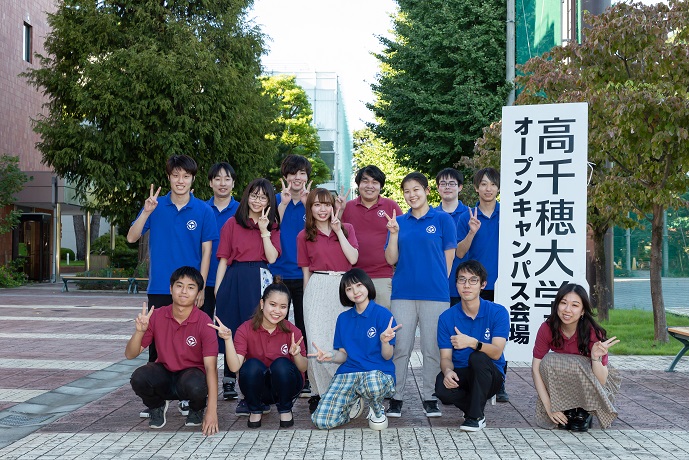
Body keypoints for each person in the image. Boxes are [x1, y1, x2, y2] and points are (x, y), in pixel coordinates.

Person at [127, 154, 218, 418]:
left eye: (186, 176)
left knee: (194, 346)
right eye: (176, 175)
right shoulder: (155, 206)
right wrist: (146, 211)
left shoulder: (203, 210)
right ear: (168, 177)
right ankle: (157, 401)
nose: (180, 180)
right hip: (160, 287)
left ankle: (192, 397)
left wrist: (201, 288)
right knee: (156, 345)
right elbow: (132, 237)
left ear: (193, 179)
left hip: (191, 289)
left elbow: (207, 251)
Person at [384, 172, 456, 419]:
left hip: (435, 295)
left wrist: (437, 284)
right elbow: (391, 259)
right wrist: (394, 234)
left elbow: (448, 260)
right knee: (400, 347)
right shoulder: (398, 222)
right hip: (402, 294)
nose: (411, 195)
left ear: (427, 191)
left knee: (432, 348)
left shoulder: (443, 219)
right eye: (407, 191)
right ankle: (396, 397)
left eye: (416, 189)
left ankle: (430, 397)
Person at [214, 178, 281, 415]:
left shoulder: (272, 226)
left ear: (269, 201)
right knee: (237, 337)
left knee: (257, 335)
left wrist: (264, 231)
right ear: (246, 196)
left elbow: (272, 258)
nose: (257, 200)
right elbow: (223, 259)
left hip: (259, 279)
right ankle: (245, 395)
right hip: (234, 280)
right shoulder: (231, 223)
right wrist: (218, 290)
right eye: (254, 195)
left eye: (263, 197)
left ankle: (259, 393)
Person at [126, 266, 219, 435]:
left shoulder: (204, 322)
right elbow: (130, 354)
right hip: (165, 373)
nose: (184, 291)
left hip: (191, 376)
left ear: (198, 293)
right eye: (179, 285)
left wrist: (212, 412)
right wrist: (139, 332)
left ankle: (196, 409)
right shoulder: (157, 315)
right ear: (170, 289)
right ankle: (157, 406)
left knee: (197, 385)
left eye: (191, 287)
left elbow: (211, 368)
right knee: (139, 377)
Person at [310, 268, 400, 430]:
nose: (355, 292)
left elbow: (387, 356)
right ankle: (352, 403)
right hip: (349, 372)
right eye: (349, 289)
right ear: (345, 293)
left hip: (377, 373)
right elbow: (343, 355)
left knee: (371, 384)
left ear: (367, 285)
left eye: (359, 285)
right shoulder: (343, 318)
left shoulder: (383, 315)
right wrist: (330, 356)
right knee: (322, 421)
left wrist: (385, 342)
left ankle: (376, 409)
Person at [210, 281, 307, 429]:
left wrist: (297, 354)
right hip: (258, 388)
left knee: (281, 364)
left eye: (283, 307)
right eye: (272, 304)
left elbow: (303, 367)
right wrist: (228, 339)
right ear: (262, 304)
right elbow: (235, 367)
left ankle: (285, 409)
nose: (277, 311)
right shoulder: (245, 329)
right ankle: (255, 409)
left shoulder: (293, 331)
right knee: (251, 365)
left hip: (287, 387)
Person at [298, 188, 359, 412]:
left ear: (333, 207)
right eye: (317, 204)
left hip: (343, 287)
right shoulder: (304, 235)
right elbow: (306, 272)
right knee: (316, 341)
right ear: (310, 208)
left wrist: (338, 230)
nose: (322, 209)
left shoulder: (347, 228)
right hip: (317, 286)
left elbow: (353, 258)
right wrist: (307, 300)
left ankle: (344, 391)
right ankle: (320, 392)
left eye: (326, 204)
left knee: (342, 341)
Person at [532, 283, 621, 431]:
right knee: (548, 362)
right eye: (563, 303)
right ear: (557, 305)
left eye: (574, 305)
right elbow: (536, 369)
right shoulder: (547, 328)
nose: (567, 310)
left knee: (573, 363)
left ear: (583, 311)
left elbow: (602, 380)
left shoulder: (593, 332)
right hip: (571, 376)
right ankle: (566, 408)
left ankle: (585, 411)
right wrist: (549, 407)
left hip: (595, 379)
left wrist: (595, 358)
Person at [434, 260, 509, 432]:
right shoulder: (446, 317)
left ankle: (475, 417)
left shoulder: (498, 312)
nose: (466, 285)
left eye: (473, 280)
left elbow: (496, 353)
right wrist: (448, 371)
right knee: (441, 387)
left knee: (478, 357)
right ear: (456, 284)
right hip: (463, 372)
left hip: (490, 375)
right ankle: (475, 408)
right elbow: (445, 357)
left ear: (483, 285)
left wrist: (472, 343)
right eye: (462, 280)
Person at [455, 167, 509, 402]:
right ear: (476, 188)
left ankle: (500, 381)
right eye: (484, 184)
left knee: (498, 334)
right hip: (475, 285)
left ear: (499, 188)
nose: (488, 189)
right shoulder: (466, 217)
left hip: (505, 284)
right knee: (475, 333)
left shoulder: (510, 214)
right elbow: (459, 252)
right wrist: (471, 232)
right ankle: (474, 379)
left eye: (493, 184)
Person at [270, 154, 312, 396]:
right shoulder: (275, 200)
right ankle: (278, 373)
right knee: (277, 326)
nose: (297, 177)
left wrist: (308, 204)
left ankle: (305, 376)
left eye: (302, 173)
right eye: (293, 173)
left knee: (305, 326)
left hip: (306, 275)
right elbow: (270, 228)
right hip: (278, 275)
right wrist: (284, 204)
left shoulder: (313, 201)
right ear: (285, 176)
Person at [340, 165, 403, 309]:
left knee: (384, 318)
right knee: (356, 319)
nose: (370, 186)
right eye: (365, 181)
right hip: (354, 277)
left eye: (375, 182)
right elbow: (335, 236)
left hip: (382, 276)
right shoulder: (347, 207)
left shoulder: (391, 206)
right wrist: (340, 211)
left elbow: (403, 237)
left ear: (381, 186)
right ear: (358, 184)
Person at [434, 168, 469, 306]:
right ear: (438, 188)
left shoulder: (470, 215)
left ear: (460, 187)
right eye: (443, 183)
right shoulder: (430, 215)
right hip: (435, 284)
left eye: (452, 183)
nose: (447, 187)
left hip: (465, 284)